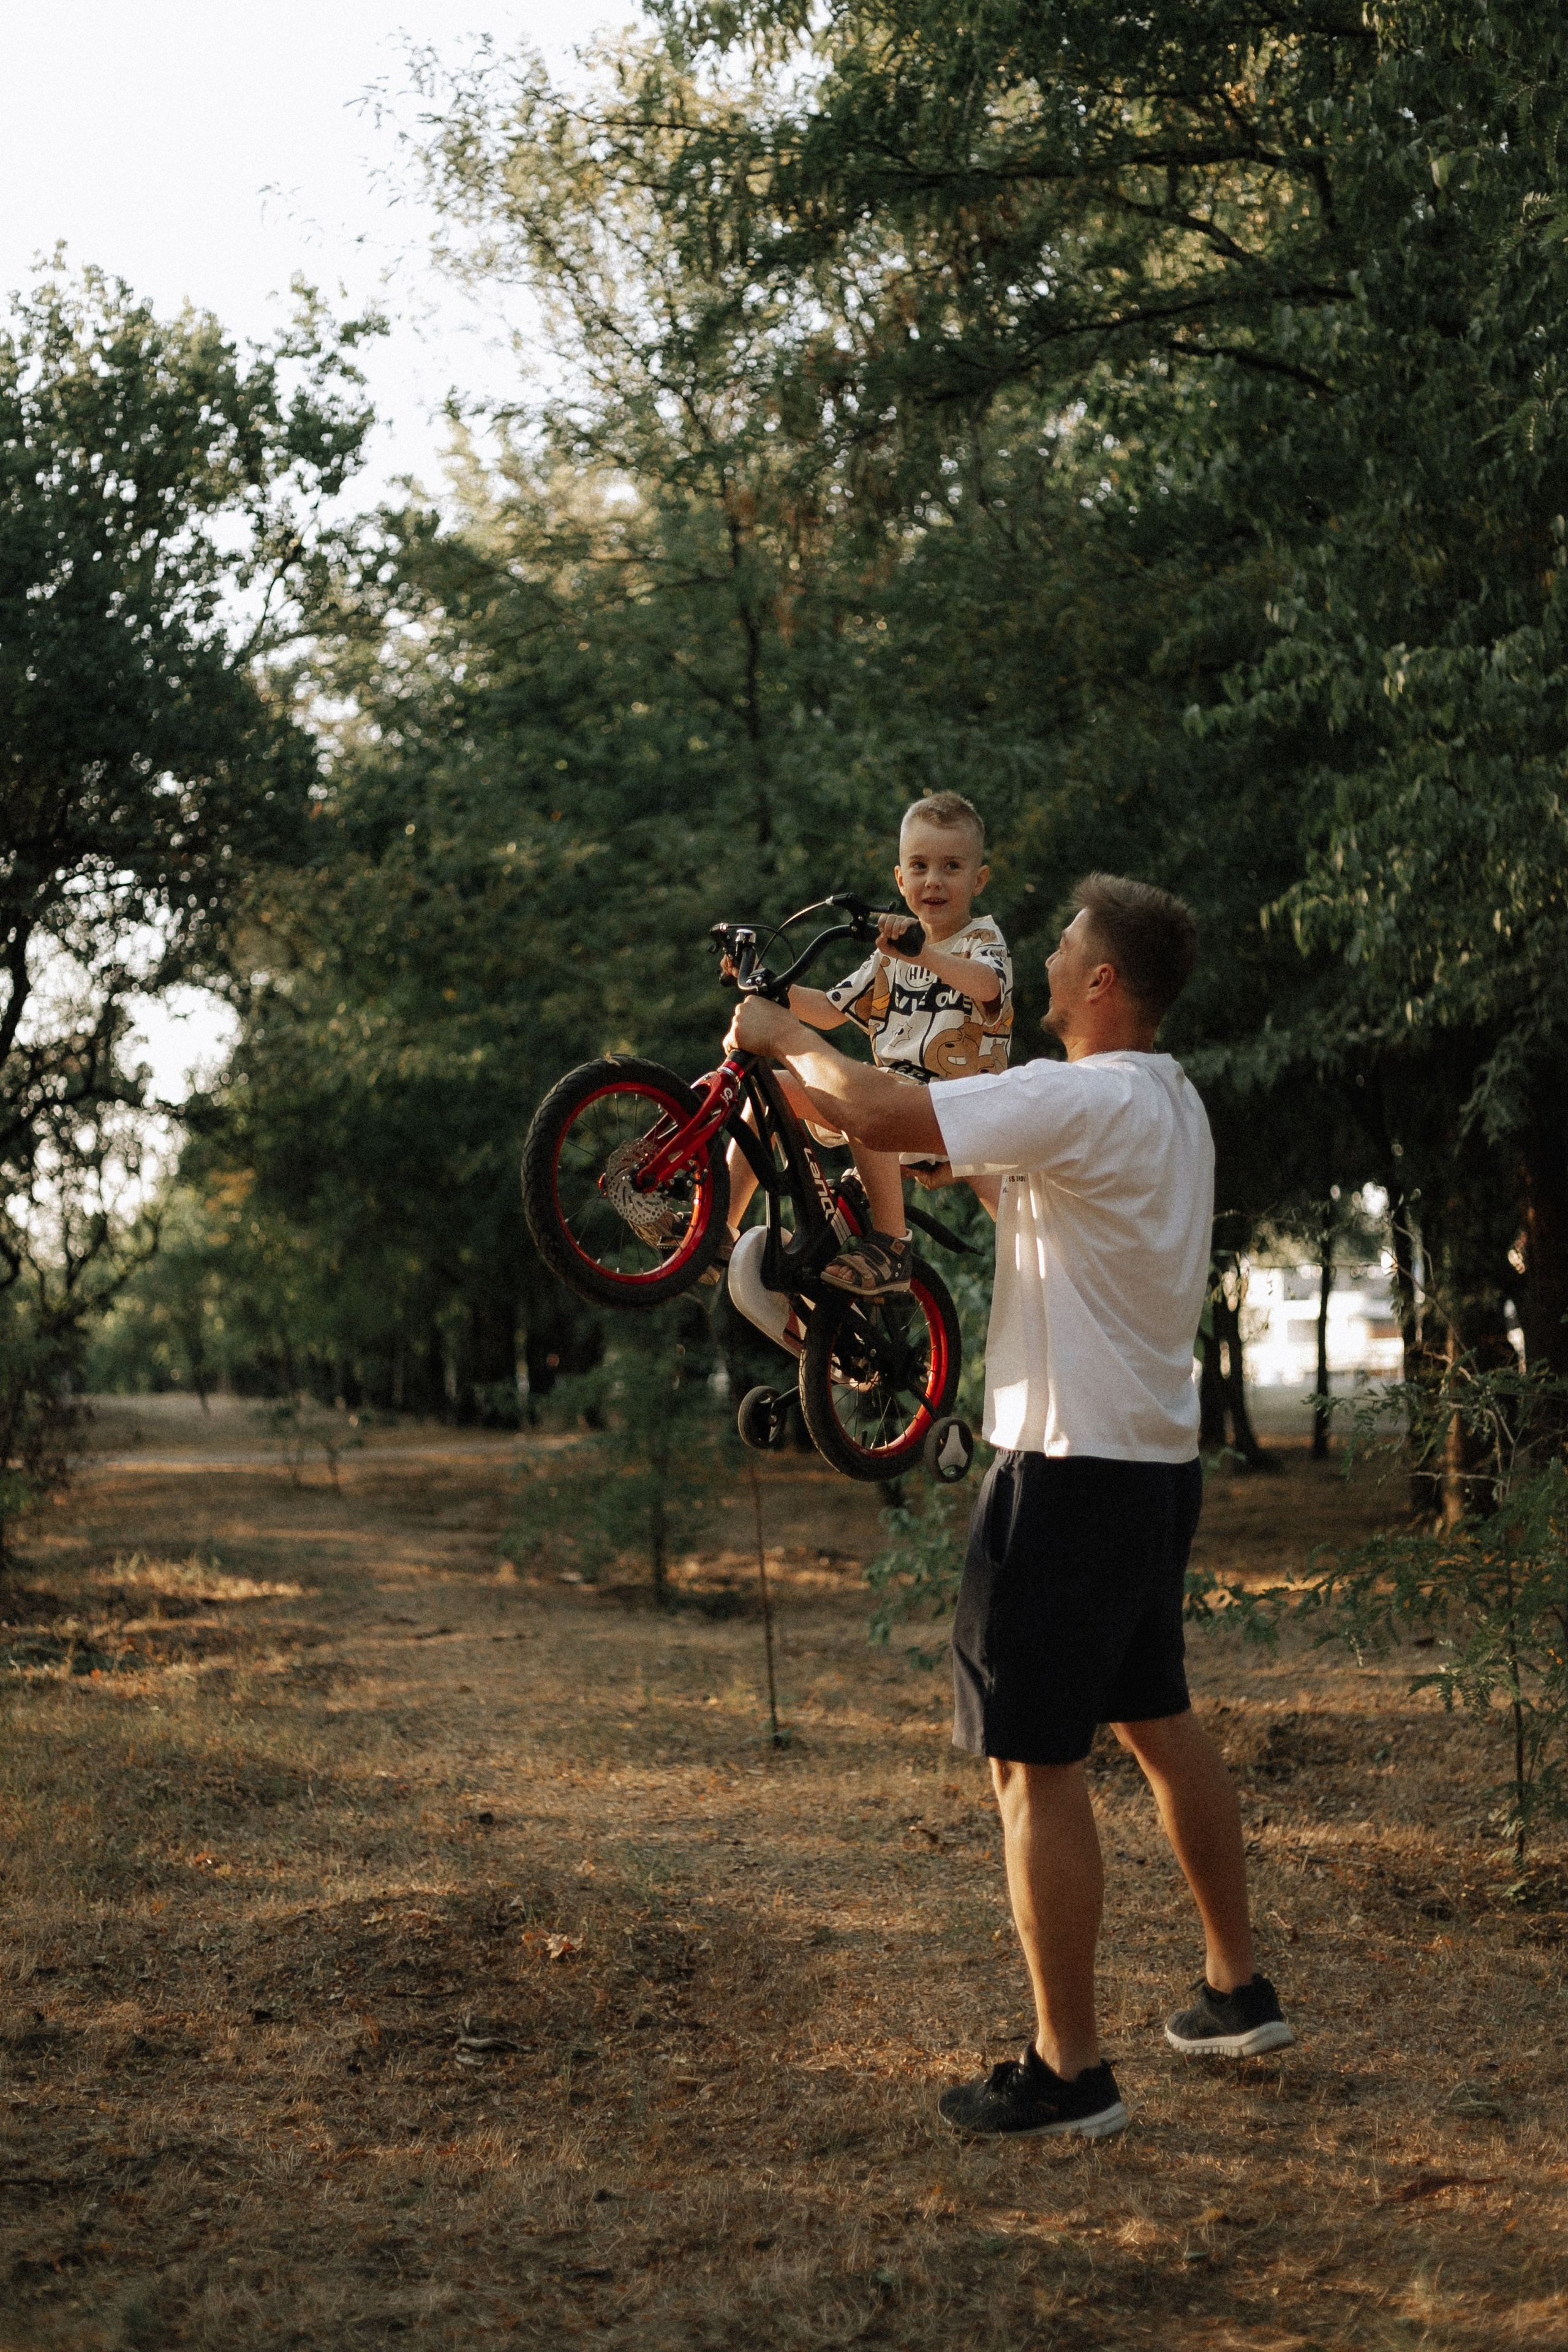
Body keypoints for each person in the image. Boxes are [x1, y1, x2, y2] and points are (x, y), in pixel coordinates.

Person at [725, 872, 1292, 2141]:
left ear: (1101, 984)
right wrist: (946, 1160)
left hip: (1061, 1464)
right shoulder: (1166, 1104)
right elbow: (1022, 1188)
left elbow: (870, 1097)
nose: (1038, 968)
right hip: (1150, 1465)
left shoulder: (1080, 1091)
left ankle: (1067, 2070)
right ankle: (1234, 1988)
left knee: (1029, 1765)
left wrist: (781, 1040)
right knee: (1156, 1720)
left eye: (1062, 954)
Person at [714, 791, 1012, 1298]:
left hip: (957, 1110)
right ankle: (719, 1229)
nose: (933, 880)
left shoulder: (981, 941)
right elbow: (831, 1009)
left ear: (978, 880)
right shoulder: (889, 954)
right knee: (766, 1093)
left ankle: (893, 1243)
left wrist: (925, 953)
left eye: (952, 867)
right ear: (900, 879)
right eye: (919, 867)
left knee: (869, 1093)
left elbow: (987, 986)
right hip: (892, 1101)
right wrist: (775, 990)